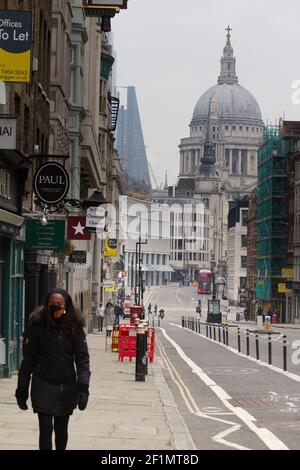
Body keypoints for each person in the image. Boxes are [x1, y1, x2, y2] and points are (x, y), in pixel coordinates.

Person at [15, 288, 90, 451]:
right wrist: (22, 388)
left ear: (67, 306)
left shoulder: (75, 327)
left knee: (61, 430)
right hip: (43, 383)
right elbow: (28, 360)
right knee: (46, 427)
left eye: (59, 304)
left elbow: (82, 359)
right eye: (52, 304)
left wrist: (83, 388)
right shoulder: (36, 325)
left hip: (66, 385)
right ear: (46, 305)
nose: (56, 307)